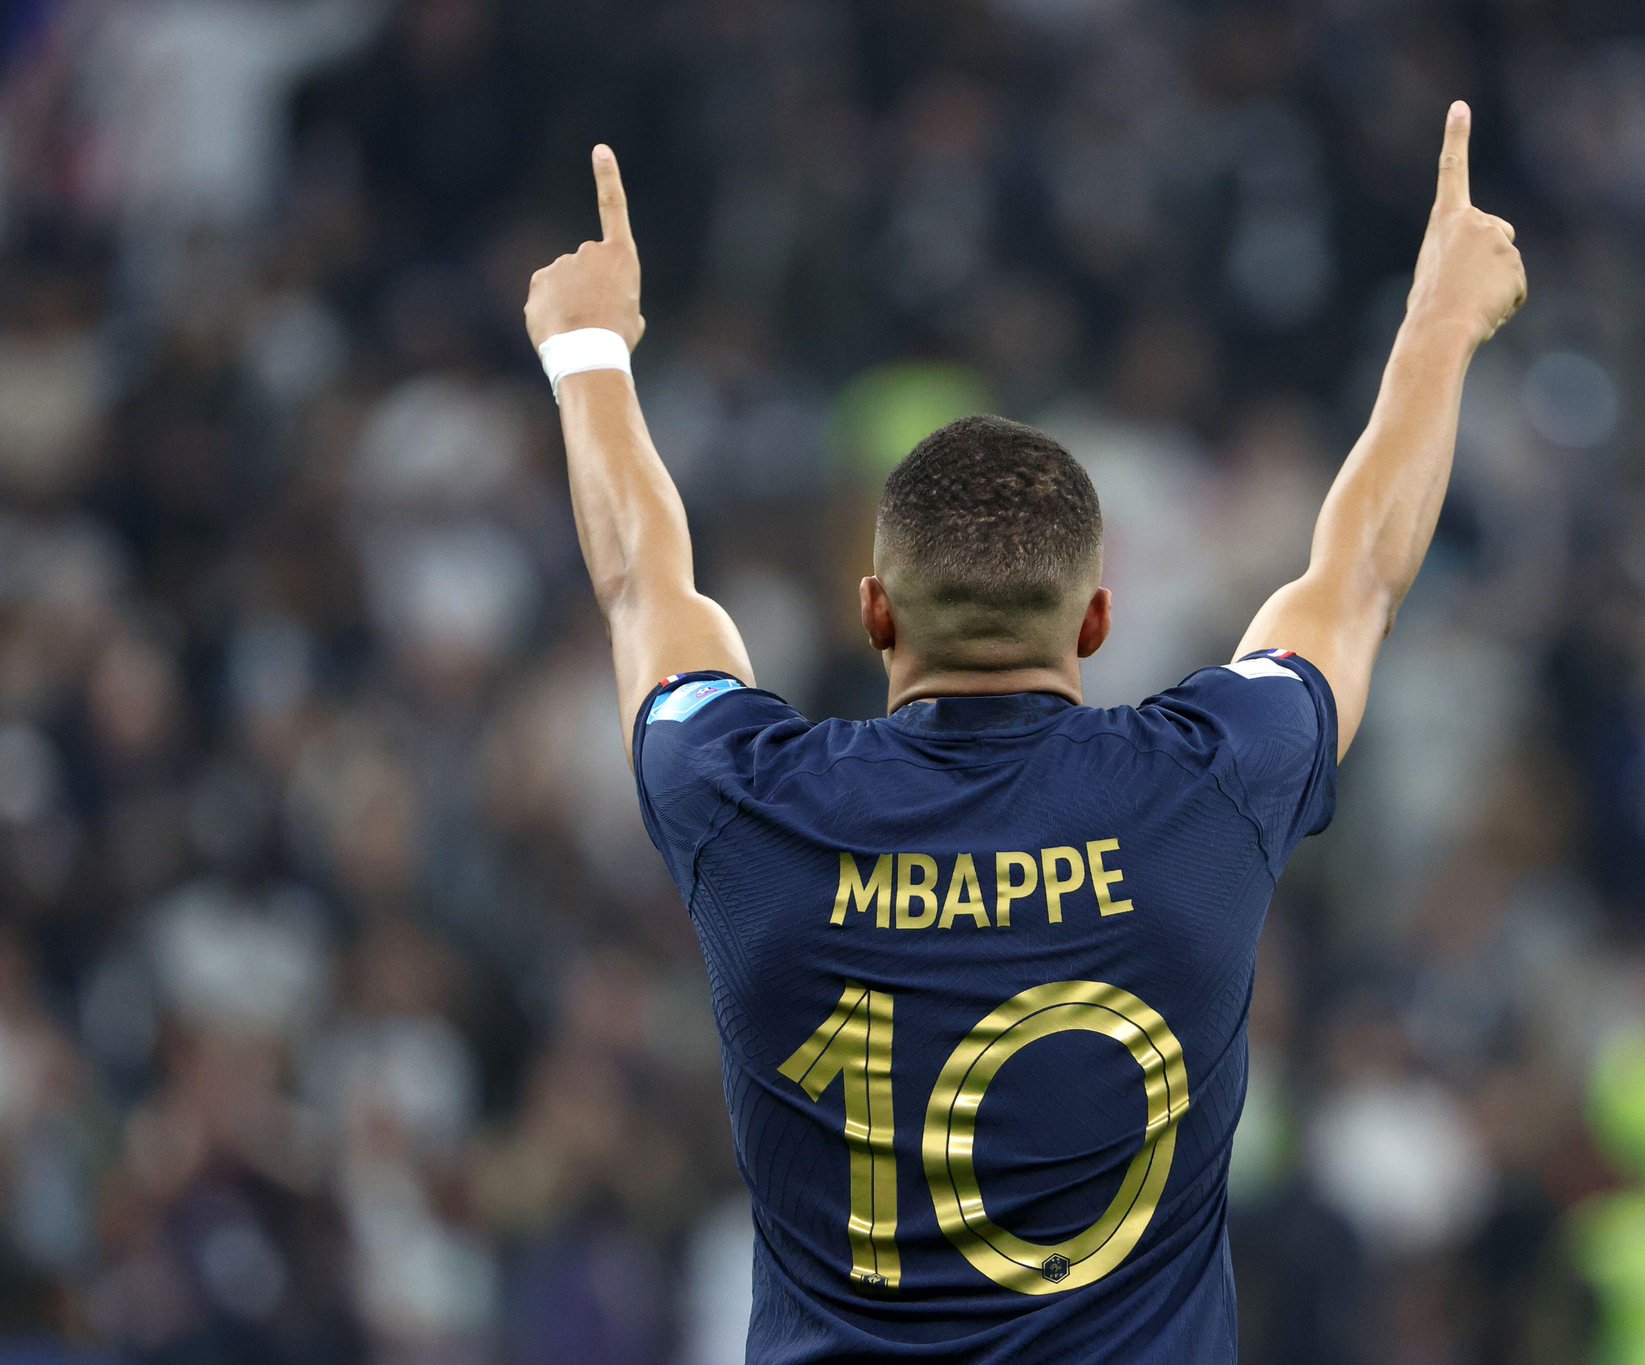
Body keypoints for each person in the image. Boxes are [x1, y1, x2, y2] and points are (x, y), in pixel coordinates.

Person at [521, 100, 1525, 1365]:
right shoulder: (1207, 783)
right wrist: (1439, 322)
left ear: (874, 612)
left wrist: (588, 352)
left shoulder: (747, 800)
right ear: (1096, 618)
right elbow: (1358, 576)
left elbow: (641, 587)